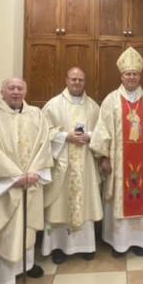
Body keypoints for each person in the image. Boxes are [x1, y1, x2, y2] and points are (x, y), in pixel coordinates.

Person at [0, 78, 53, 284]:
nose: (16, 92)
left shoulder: (36, 115)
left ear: (25, 91)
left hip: (31, 181)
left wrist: (35, 172)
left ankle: (26, 266)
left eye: (20, 88)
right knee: (0, 228)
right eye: (11, 88)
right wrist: (13, 177)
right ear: (2, 92)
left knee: (26, 227)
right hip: (5, 186)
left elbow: (44, 144)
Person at [90, 47, 143, 257]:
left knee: (141, 196)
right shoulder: (111, 100)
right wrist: (104, 156)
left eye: (135, 74)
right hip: (118, 161)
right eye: (128, 74)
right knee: (120, 198)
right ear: (121, 76)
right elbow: (102, 129)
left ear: (140, 76)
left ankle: (141, 242)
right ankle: (119, 243)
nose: (131, 77)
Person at [41, 67, 103, 264]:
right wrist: (65, 136)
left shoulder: (93, 107)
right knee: (59, 205)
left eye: (80, 80)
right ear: (66, 80)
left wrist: (90, 136)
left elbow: (102, 132)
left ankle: (86, 246)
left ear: (85, 82)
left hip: (85, 163)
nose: (77, 82)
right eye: (73, 79)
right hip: (62, 163)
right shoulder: (53, 105)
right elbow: (43, 132)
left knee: (84, 203)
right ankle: (58, 247)